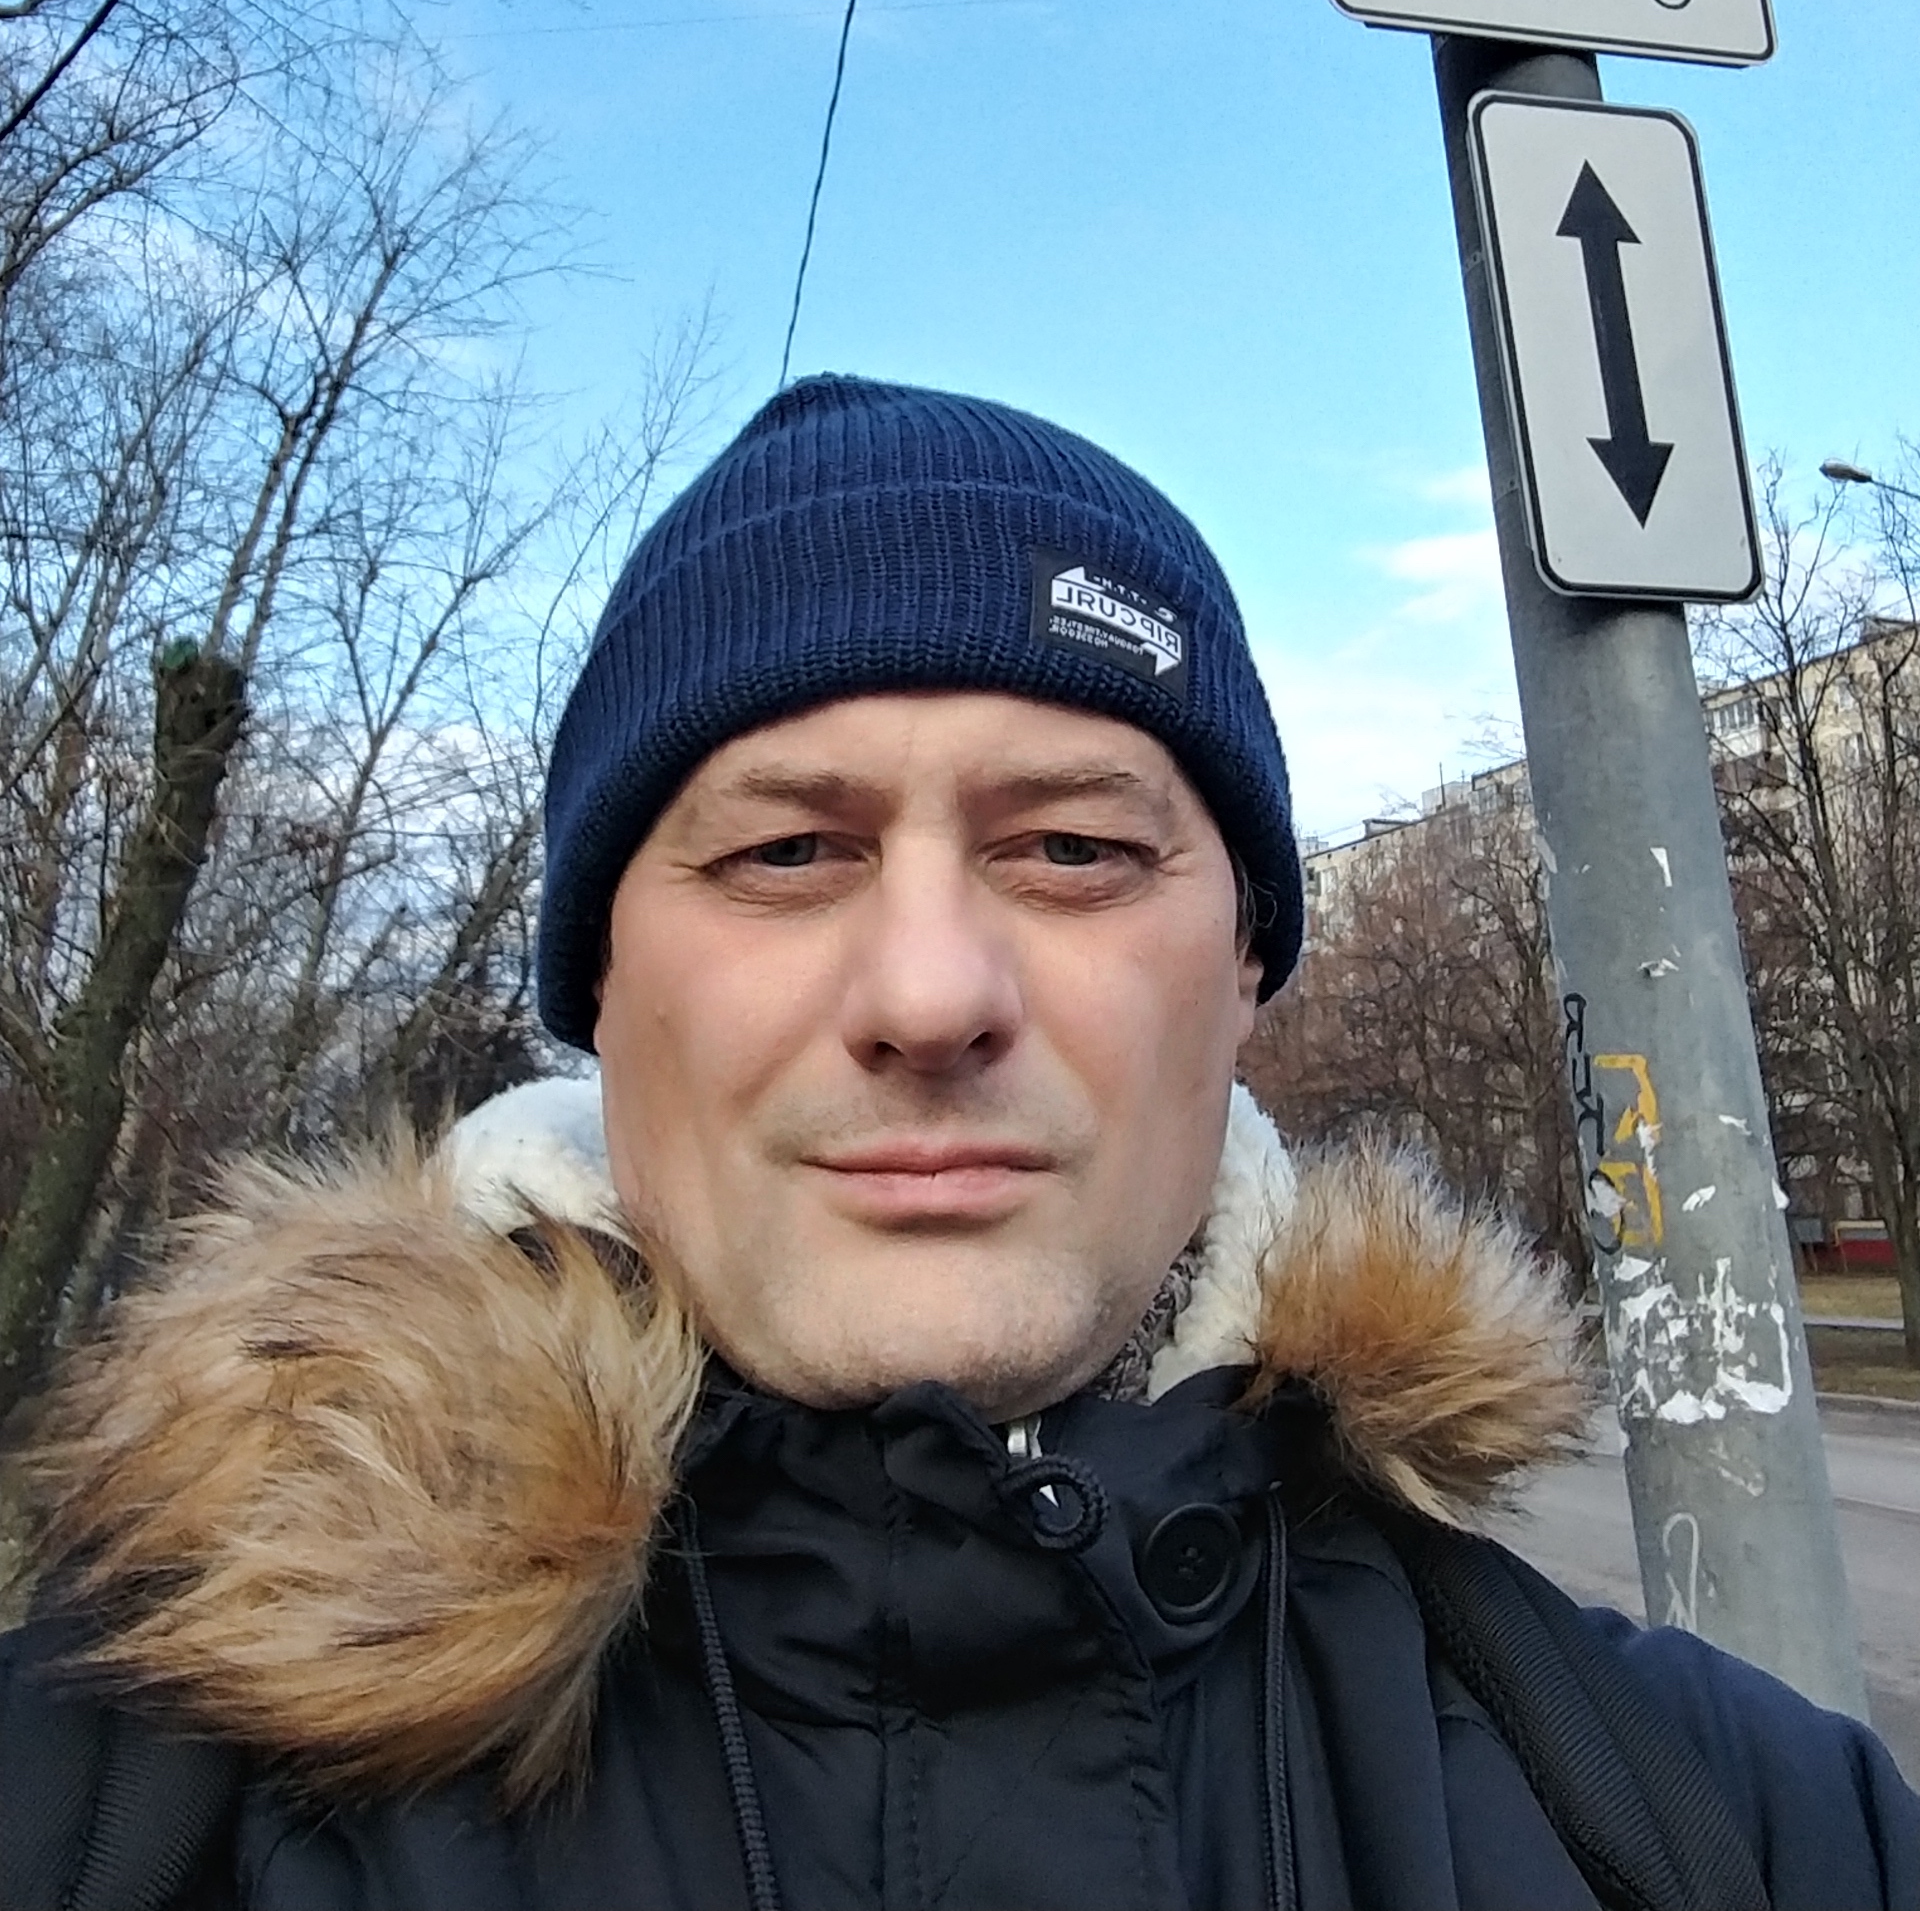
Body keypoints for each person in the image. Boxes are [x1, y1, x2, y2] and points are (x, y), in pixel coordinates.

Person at [1, 374, 1915, 1911]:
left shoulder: (1732, 1828)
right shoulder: (107, 1797)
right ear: (598, 990)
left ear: (1247, 967)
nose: (929, 994)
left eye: (1073, 848)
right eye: (785, 852)